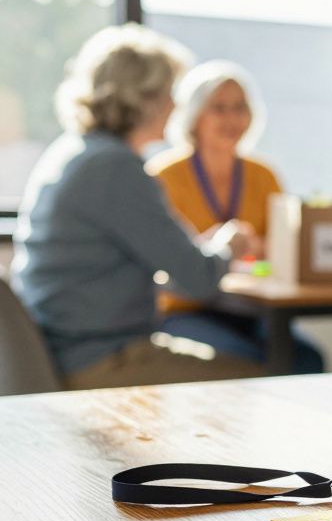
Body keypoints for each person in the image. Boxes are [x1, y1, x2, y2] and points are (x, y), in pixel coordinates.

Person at [10, 25, 263, 389]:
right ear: (143, 99)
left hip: (64, 350)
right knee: (266, 381)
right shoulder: (116, 169)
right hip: (102, 359)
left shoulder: (76, 153)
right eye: (168, 94)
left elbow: (151, 265)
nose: (175, 106)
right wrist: (229, 242)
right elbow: (200, 278)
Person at [147, 61, 324, 374]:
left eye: (240, 107)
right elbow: (161, 258)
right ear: (194, 115)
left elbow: (285, 248)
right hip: (186, 309)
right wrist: (215, 246)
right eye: (219, 108)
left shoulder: (264, 175)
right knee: (247, 359)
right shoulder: (163, 176)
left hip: (251, 308)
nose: (231, 119)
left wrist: (256, 246)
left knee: (307, 358)